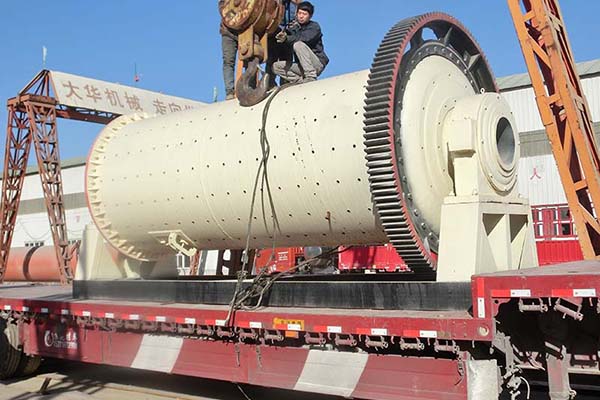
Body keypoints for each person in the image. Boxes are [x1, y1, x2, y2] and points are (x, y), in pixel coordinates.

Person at [272, 1, 329, 84]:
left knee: (298, 44)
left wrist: (287, 38)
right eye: (299, 13)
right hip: (302, 66)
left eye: (304, 14)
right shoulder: (294, 27)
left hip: (316, 64)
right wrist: (282, 35)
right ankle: (299, 81)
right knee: (276, 67)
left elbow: (304, 39)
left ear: (310, 16)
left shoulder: (314, 27)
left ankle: (311, 77)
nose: (301, 16)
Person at [219, 1, 238, 100]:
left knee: (250, 60)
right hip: (228, 32)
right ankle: (229, 91)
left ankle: (250, 87)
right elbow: (223, 9)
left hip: (245, 30)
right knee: (228, 61)